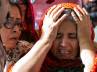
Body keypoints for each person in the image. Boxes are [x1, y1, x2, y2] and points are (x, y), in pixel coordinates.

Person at [8, 3, 97, 72]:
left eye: (72, 36)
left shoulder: (92, 56)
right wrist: (45, 39)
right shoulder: (29, 56)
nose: (63, 44)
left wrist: (86, 42)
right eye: (57, 36)